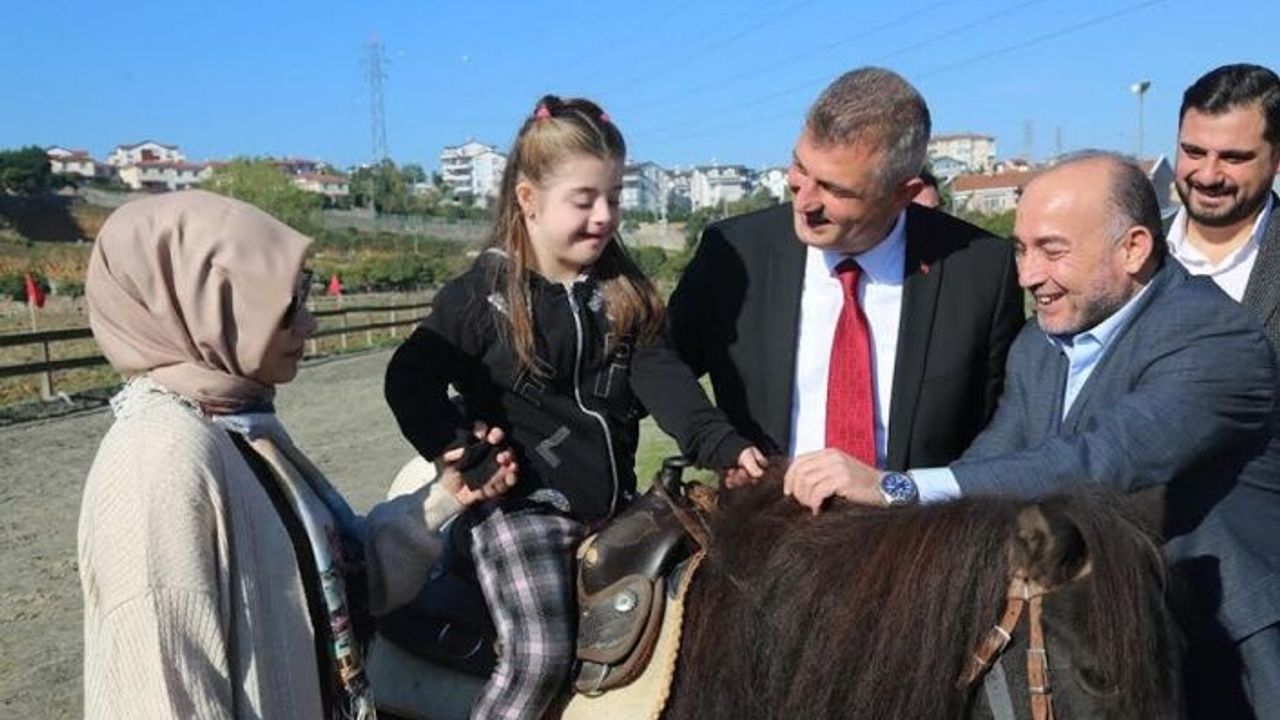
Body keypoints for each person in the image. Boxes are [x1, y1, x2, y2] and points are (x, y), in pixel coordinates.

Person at [785, 152, 1280, 718]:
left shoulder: (1217, 341)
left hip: (1225, 655)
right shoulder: (1039, 345)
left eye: (1052, 250)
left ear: (1134, 248)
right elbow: (995, 463)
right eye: (1021, 249)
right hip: (1106, 658)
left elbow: (1101, 463)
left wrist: (896, 488)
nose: (1028, 276)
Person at [383, 95, 765, 720]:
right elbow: (409, 378)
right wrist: (456, 444)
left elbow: (666, 382)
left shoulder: (624, 293)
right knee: (539, 655)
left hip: (616, 508)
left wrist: (724, 445)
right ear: (528, 200)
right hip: (522, 510)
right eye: (584, 201)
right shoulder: (482, 298)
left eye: (614, 198)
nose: (604, 216)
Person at [79, 190, 513, 719]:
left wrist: (446, 496)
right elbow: (162, 698)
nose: (310, 323)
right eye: (288, 306)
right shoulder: (159, 455)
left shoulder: (238, 428)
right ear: (212, 307)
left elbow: (342, 591)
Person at [668, 67, 1023, 489]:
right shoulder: (735, 252)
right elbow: (657, 360)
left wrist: (901, 494)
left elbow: (1004, 427)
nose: (804, 202)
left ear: (903, 196)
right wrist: (713, 440)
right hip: (766, 534)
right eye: (800, 169)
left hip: (917, 539)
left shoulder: (981, 270)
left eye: (835, 190)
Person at [1170, 63, 1280, 343]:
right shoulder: (1126, 252)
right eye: (1193, 152)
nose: (1208, 176)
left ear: (1276, 160)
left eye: (1233, 158)